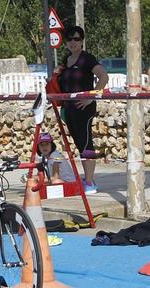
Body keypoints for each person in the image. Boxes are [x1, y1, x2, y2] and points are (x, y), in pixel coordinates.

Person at [58, 26, 108, 194]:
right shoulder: (66, 60)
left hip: (84, 108)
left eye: (77, 39)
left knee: (86, 143)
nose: (73, 42)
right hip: (69, 108)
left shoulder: (87, 59)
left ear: (82, 41)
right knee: (79, 144)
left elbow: (103, 77)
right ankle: (87, 179)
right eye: (70, 39)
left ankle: (90, 182)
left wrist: (91, 97)